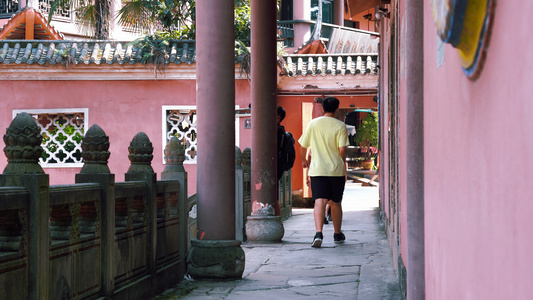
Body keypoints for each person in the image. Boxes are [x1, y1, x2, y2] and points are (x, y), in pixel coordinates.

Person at [298, 97, 349, 248]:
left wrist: (303, 161)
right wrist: (341, 160)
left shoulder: (313, 124)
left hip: (317, 170)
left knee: (319, 201)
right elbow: (343, 150)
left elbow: (302, 146)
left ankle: (318, 233)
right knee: (336, 202)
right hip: (336, 170)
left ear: (322, 109)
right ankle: (337, 234)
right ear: (337, 109)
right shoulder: (340, 126)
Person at [277, 105, 287, 182]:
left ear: (278, 117)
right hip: (279, 165)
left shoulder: (277, 131)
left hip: (275, 165)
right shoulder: (281, 130)